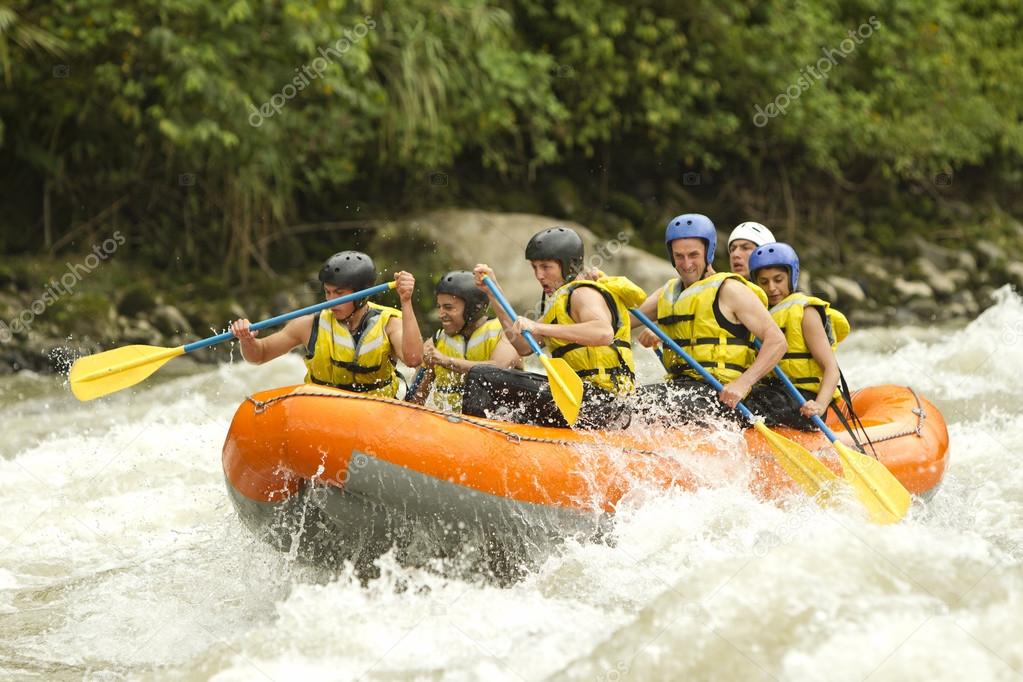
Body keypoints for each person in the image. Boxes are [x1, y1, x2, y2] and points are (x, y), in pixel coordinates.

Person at [465, 226, 646, 429]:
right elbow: (523, 346)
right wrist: (493, 293)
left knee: (482, 377)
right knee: (494, 380)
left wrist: (539, 328)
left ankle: (475, 437)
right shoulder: (559, 304)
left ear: (569, 266)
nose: (539, 275)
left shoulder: (582, 293)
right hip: (582, 398)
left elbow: (603, 333)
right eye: (534, 267)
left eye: (545, 267)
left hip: (602, 402)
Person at [631, 214, 786, 425]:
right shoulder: (668, 293)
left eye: (693, 255)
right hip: (680, 388)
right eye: (679, 256)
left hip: (720, 394)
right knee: (629, 402)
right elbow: (623, 319)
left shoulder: (730, 289)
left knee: (647, 407)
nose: (686, 264)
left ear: (709, 252)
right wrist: (598, 290)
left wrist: (743, 383)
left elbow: (777, 341)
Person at [229, 251, 422, 397]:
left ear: (362, 294)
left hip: (376, 413)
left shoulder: (389, 323)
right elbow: (260, 354)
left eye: (339, 294)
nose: (331, 301)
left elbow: (413, 360)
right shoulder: (308, 324)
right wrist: (246, 340)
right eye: (328, 292)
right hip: (323, 414)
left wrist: (406, 301)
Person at [748, 242, 850, 429]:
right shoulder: (758, 314)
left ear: (791, 276)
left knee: (758, 404)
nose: (771, 288)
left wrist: (819, 405)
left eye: (778, 279)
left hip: (802, 398)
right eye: (764, 282)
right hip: (772, 393)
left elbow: (831, 368)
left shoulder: (805, 312)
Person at [409, 270, 521, 410]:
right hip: (448, 425)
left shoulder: (506, 333)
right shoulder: (436, 342)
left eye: (448, 307)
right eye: (439, 307)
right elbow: (417, 398)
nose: (441, 314)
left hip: (496, 423)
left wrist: (445, 361)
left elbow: (498, 368)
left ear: (474, 308)